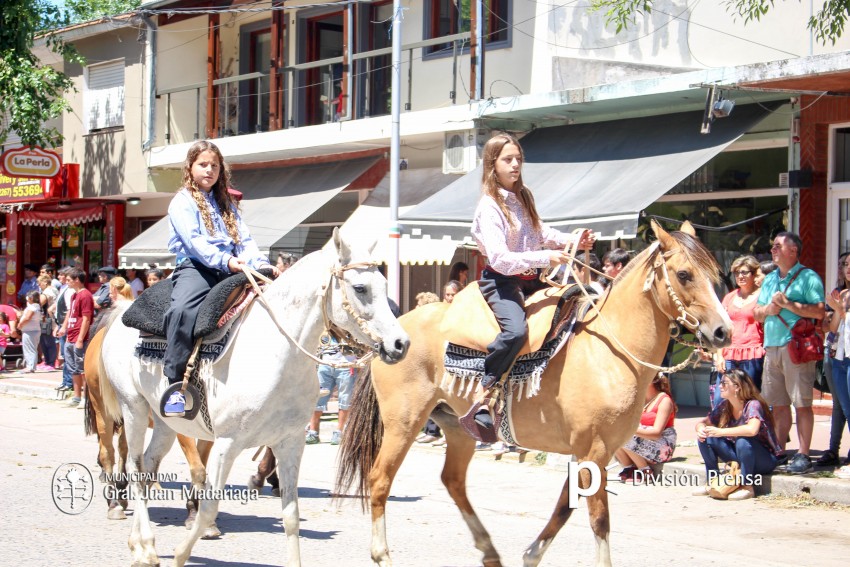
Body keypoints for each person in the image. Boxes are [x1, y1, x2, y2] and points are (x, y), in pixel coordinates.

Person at [470, 132, 595, 432]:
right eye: (507, 159)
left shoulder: (523, 196)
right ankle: (485, 391)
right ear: (492, 164)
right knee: (515, 332)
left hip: (533, 280)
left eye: (518, 159)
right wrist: (545, 257)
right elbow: (500, 258)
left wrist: (573, 240)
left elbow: (541, 232)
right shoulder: (489, 206)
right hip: (502, 281)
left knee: (579, 308)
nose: (515, 164)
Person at [162, 140, 278, 417]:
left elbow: (245, 241)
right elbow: (194, 242)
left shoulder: (227, 203)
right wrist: (225, 260)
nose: (209, 170)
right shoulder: (182, 201)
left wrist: (262, 264)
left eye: (214, 165)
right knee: (182, 311)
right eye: (203, 164)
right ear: (190, 167)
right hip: (196, 268)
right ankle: (176, 386)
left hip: (232, 267)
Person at [753, 231, 825, 474]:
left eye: (778, 246)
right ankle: (779, 451)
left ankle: (803, 454)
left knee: (801, 403)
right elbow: (756, 313)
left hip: (795, 347)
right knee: (778, 405)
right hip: (772, 347)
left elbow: (819, 311)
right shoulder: (770, 279)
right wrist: (768, 310)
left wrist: (787, 305)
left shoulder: (808, 277)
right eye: (773, 246)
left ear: (793, 250)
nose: (773, 250)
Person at [693, 369, 782, 500]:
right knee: (707, 437)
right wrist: (701, 429)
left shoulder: (753, 405)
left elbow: (752, 430)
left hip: (763, 460)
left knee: (743, 440)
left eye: (724, 383)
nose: (720, 386)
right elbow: (703, 422)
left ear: (737, 387)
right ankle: (712, 481)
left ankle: (747, 487)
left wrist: (721, 432)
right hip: (741, 455)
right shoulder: (725, 405)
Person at [712, 255, 765, 409]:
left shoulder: (762, 296)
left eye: (744, 272)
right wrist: (719, 356)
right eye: (737, 273)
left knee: (747, 398)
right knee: (721, 399)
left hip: (752, 353)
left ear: (754, 274)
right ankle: (721, 426)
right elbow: (722, 328)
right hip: (729, 353)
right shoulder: (729, 297)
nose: (740, 276)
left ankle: (748, 425)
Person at [614, 374, 677, 483]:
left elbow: (656, 433)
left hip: (663, 447)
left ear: (651, 380)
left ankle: (646, 472)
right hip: (643, 442)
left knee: (625, 434)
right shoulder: (640, 399)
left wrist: (629, 430)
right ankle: (630, 469)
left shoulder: (664, 400)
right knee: (612, 433)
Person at [820, 253, 850, 468]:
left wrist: (838, 309)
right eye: (846, 264)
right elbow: (831, 327)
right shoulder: (840, 293)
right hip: (836, 354)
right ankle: (833, 449)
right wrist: (837, 309)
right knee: (841, 405)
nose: (847, 268)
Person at [305, 334, 357, 446]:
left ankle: (339, 432)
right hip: (325, 364)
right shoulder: (325, 328)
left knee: (345, 399)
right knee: (318, 397)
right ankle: (313, 432)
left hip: (346, 364)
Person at [57, 268, 93, 409]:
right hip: (70, 336)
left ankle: (85, 398)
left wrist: (80, 339)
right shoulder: (73, 295)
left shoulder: (85, 295)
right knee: (73, 369)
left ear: (77, 280)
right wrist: (64, 328)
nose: (67, 282)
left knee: (82, 369)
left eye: (69, 280)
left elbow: (86, 318)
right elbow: (70, 313)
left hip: (79, 337)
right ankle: (76, 397)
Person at [53, 267, 76, 391]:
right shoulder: (63, 288)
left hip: (66, 325)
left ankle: (69, 382)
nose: (59, 277)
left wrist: (63, 326)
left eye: (62, 275)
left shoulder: (70, 291)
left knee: (67, 354)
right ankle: (65, 381)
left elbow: (69, 310)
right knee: (64, 354)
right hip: (61, 323)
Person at [36, 274, 58, 371]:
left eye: (40, 283)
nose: (39, 285)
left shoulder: (47, 291)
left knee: (47, 341)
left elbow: (39, 303)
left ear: (45, 282)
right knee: (46, 340)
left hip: (47, 319)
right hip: (50, 318)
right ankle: (48, 361)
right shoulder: (54, 289)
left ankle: (50, 362)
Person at [17, 290, 42, 374]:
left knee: (29, 349)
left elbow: (28, 318)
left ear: (31, 298)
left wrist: (20, 324)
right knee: (32, 349)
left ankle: (30, 367)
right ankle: (31, 366)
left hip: (30, 331)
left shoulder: (32, 307)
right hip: (33, 330)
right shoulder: (36, 306)